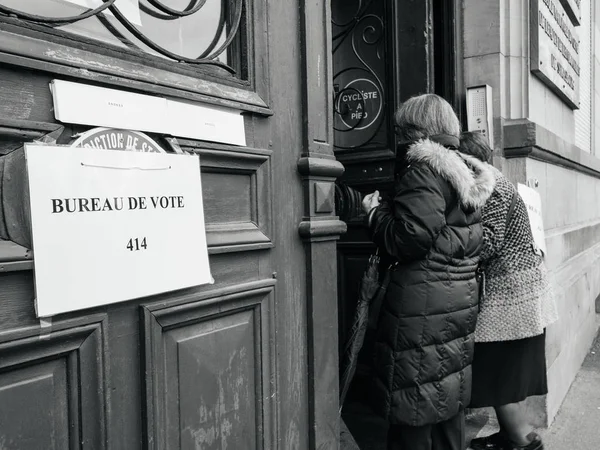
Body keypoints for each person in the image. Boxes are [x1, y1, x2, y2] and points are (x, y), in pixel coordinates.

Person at [361, 94, 496, 450]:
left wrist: (375, 214)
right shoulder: (463, 172)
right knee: (444, 393)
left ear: (417, 130)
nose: (398, 136)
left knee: (414, 405)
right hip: (455, 300)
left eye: (401, 129)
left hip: (422, 306)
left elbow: (410, 239)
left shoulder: (424, 169)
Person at [457, 131, 559, 450]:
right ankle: (508, 437)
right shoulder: (494, 182)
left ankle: (524, 442)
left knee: (498, 371)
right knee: (502, 370)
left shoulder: (493, 186)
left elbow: (489, 240)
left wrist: (449, 239)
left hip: (512, 296)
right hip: (512, 294)